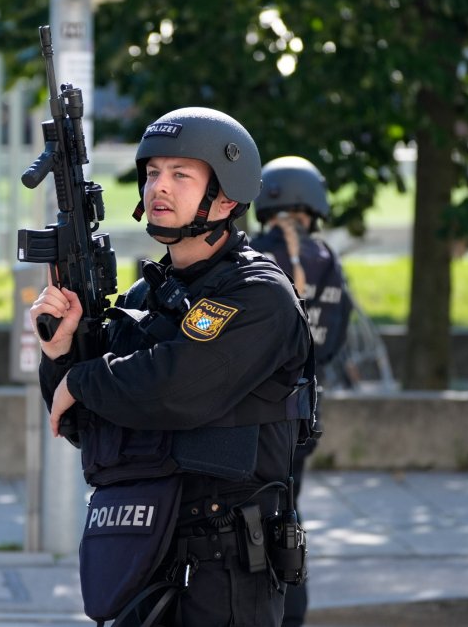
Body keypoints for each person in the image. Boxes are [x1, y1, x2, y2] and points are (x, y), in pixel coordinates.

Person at [30, 107, 315, 626]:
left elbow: (176, 388)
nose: (159, 187)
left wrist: (82, 379)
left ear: (226, 196)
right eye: (153, 172)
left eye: (181, 174)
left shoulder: (258, 295)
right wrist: (61, 354)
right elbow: (79, 423)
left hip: (224, 569)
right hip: (141, 550)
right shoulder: (147, 296)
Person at [250, 155, 353, 627]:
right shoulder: (329, 261)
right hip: (304, 420)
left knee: (239, 524)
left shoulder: (250, 255)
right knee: (287, 516)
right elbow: (333, 343)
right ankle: (292, 614)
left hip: (250, 421)